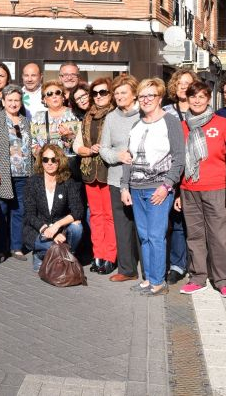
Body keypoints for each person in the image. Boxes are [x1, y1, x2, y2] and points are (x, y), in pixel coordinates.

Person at [120, 78, 185, 297]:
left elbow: (179, 158)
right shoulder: (137, 124)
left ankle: (158, 282)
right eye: (142, 96)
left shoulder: (170, 122)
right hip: (136, 188)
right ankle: (148, 278)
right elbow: (128, 157)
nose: (146, 100)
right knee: (144, 235)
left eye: (151, 95)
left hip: (158, 188)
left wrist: (167, 186)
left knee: (156, 236)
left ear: (160, 98)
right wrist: (124, 187)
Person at [176, 81, 226, 297]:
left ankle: (224, 280)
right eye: (193, 97)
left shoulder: (222, 124)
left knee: (219, 236)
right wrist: (178, 191)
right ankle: (198, 277)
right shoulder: (182, 126)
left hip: (217, 187)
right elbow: (178, 161)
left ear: (209, 99)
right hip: (189, 188)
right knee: (194, 236)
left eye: (202, 96)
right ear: (187, 99)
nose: (197, 101)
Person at [0, 84, 33, 261]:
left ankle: (16, 247)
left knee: (19, 211)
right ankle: (0, 248)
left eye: (16, 100)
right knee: (1, 212)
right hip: (3, 175)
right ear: (3, 102)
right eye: (10, 100)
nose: (13, 103)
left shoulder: (25, 121)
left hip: (24, 175)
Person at [99, 75, 141, 282]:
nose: (119, 96)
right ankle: (127, 269)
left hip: (142, 179)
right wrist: (118, 156)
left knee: (143, 227)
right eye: (116, 93)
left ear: (134, 94)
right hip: (116, 178)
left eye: (123, 92)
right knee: (122, 226)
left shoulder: (145, 114)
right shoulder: (111, 118)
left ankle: (151, 271)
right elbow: (104, 148)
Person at [73, 78, 115, 274]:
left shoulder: (115, 114)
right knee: (96, 216)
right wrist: (89, 150)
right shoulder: (87, 117)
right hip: (90, 171)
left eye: (103, 92)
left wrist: (104, 149)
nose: (98, 96)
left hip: (109, 171)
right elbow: (77, 145)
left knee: (109, 216)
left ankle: (110, 257)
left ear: (110, 94)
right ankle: (98, 255)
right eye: (95, 93)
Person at [162, 68, 199, 284]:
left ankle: (197, 263)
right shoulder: (166, 111)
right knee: (176, 221)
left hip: (195, 172)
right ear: (174, 87)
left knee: (195, 222)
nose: (184, 86)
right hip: (171, 171)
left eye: (188, 82)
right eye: (180, 83)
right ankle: (177, 264)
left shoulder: (200, 109)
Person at [22, 144, 85, 271]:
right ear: (41, 162)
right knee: (51, 245)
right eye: (45, 159)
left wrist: (57, 226)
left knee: (77, 227)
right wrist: (47, 230)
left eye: (53, 159)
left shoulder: (68, 182)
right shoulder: (32, 182)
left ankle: (59, 257)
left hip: (60, 230)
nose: (49, 163)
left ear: (59, 161)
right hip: (38, 229)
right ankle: (43, 255)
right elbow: (29, 214)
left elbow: (78, 210)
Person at [30, 81, 80, 176]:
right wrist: (39, 152)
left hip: (71, 168)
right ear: (44, 99)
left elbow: (83, 141)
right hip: (47, 168)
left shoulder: (75, 114)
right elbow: (33, 143)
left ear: (63, 97)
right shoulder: (37, 118)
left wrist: (70, 136)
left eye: (57, 93)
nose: (54, 96)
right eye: (49, 94)